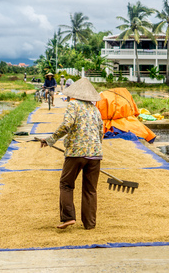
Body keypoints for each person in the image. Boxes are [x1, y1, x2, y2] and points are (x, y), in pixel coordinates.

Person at [40, 78, 103, 230]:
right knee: (90, 189)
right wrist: (93, 149)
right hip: (95, 154)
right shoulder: (95, 110)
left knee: (66, 184)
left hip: (76, 153)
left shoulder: (73, 105)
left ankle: (68, 217)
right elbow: (101, 132)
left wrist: (51, 139)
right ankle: (90, 223)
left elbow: (67, 125)